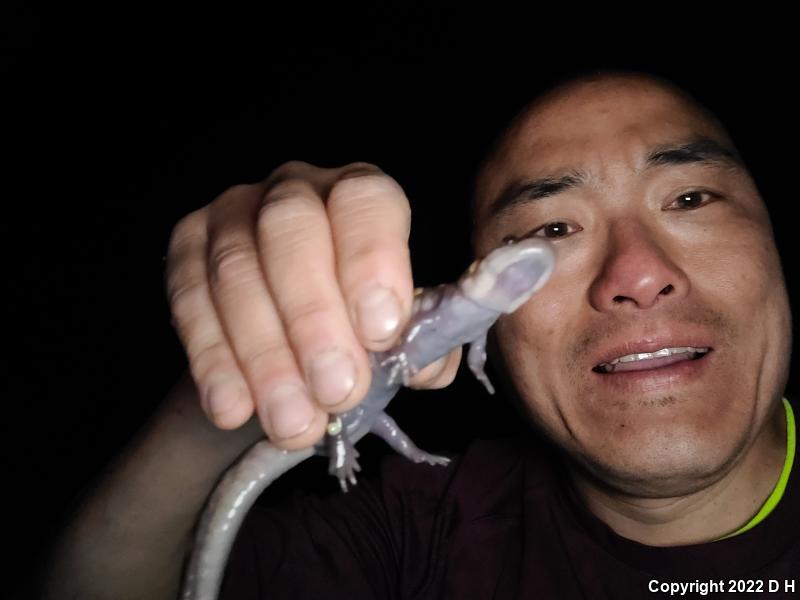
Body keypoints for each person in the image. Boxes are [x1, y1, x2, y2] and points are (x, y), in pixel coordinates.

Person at [36, 67, 799, 599]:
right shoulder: (416, 534)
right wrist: (239, 387)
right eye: (552, 228)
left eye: (693, 196)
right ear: (497, 334)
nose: (636, 273)